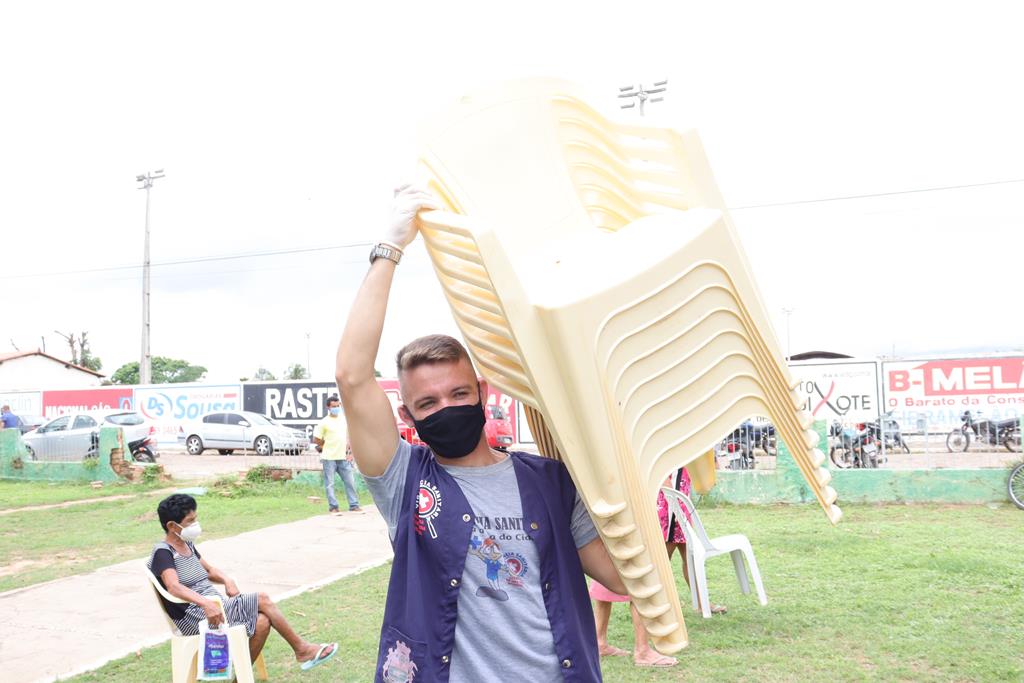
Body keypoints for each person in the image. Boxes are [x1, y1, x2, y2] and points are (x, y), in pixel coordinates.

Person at [336, 183, 626, 682]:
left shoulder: (551, 481)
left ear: (483, 393)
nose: (446, 408)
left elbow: (619, 577)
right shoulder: (405, 481)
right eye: (427, 403)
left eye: (458, 394)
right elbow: (351, 375)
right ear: (407, 417)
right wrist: (390, 249)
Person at [147, 494, 339, 671]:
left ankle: (240, 677)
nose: (195, 524)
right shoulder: (163, 552)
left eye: (195, 519)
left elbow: (209, 571)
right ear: (172, 526)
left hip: (216, 607)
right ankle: (302, 649)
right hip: (196, 616)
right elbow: (173, 586)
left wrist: (227, 580)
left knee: (262, 621)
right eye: (190, 521)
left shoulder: (186, 544)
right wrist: (206, 603)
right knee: (262, 599)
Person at [312, 394, 364, 514]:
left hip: (343, 457)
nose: (337, 408)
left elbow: (348, 435)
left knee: (350, 482)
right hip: (329, 458)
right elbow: (317, 439)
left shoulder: (343, 419)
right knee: (330, 484)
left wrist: (349, 452)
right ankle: (333, 507)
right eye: (334, 406)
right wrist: (324, 444)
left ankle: (354, 505)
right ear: (328, 408)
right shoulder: (324, 422)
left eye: (338, 406)